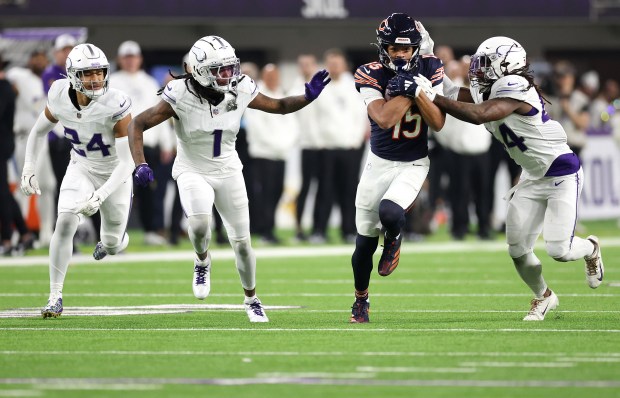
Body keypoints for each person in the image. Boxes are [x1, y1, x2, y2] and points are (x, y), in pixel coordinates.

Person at [127, 35, 330, 323]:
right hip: (192, 168)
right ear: (198, 70)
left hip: (229, 169)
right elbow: (138, 123)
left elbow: (279, 106)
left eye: (229, 68)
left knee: (243, 243)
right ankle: (201, 260)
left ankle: (252, 298)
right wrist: (140, 163)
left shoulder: (241, 87)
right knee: (198, 223)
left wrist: (306, 97)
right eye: (218, 69)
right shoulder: (179, 94)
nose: (227, 75)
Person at [414, 36, 605, 321]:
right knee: (517, 250)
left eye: (485, 63)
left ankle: (590, 248)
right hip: (531, 175)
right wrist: (427, 57)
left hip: (561, 173)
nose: (478, 69)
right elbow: (452, 92)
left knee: (559, 250)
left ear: (506, 65)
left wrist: (430, 97)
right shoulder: (492, 87)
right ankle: (544, 297)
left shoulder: (516, 87)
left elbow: (480, 114)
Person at [20, 43, 134, 318]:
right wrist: (28, 167)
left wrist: (101, 195)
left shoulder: (116, 103)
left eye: (99, 72)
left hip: (114, 175)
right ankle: (55, 295)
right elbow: (38, 132)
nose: (96, 78)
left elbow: (127, 161)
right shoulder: (59, 93)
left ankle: (111, 242)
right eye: (88, 73)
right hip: (81, 166)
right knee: (66, 218)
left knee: (112, 244)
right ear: (72, 75)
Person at [350, 13, 445, 323]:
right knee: (363, 245)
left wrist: (417, 90)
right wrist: (408, 90)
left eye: (406, 49)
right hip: (378, 164)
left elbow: (439, 122)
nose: (401, 54)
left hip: (414, 162)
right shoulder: (369, 73)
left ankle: (394, 238)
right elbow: (384, 118)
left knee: (391, 213)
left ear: (416, 48)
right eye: (394, 49)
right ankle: (361, 300)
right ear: (383, 48)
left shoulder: (431, 68)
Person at [109, 40, 175, 246]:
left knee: (149, 190)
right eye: (126, 57)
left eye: (133, 57)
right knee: (120, 188)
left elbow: (161, 113)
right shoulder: (113, 81)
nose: (130, 61)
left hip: (148, 143)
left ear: (139, 59)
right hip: (121, 143)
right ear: (121, 60)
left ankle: (151, 230)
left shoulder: (149, 82)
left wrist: (166, 143)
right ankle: (115, 233)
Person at [245, 63, 299, 244]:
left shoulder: (282, 95)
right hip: (263, 154)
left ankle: (270, 230)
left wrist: (285, 145)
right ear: (264, 77)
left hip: (281, 154)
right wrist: (278, 145)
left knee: (276, 193)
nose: (272, 79)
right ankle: (264, 231)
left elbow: (293, 125)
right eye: (269, 76)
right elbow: (257, 128)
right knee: (265, 194)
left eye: (275, 76)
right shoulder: (257, 96)